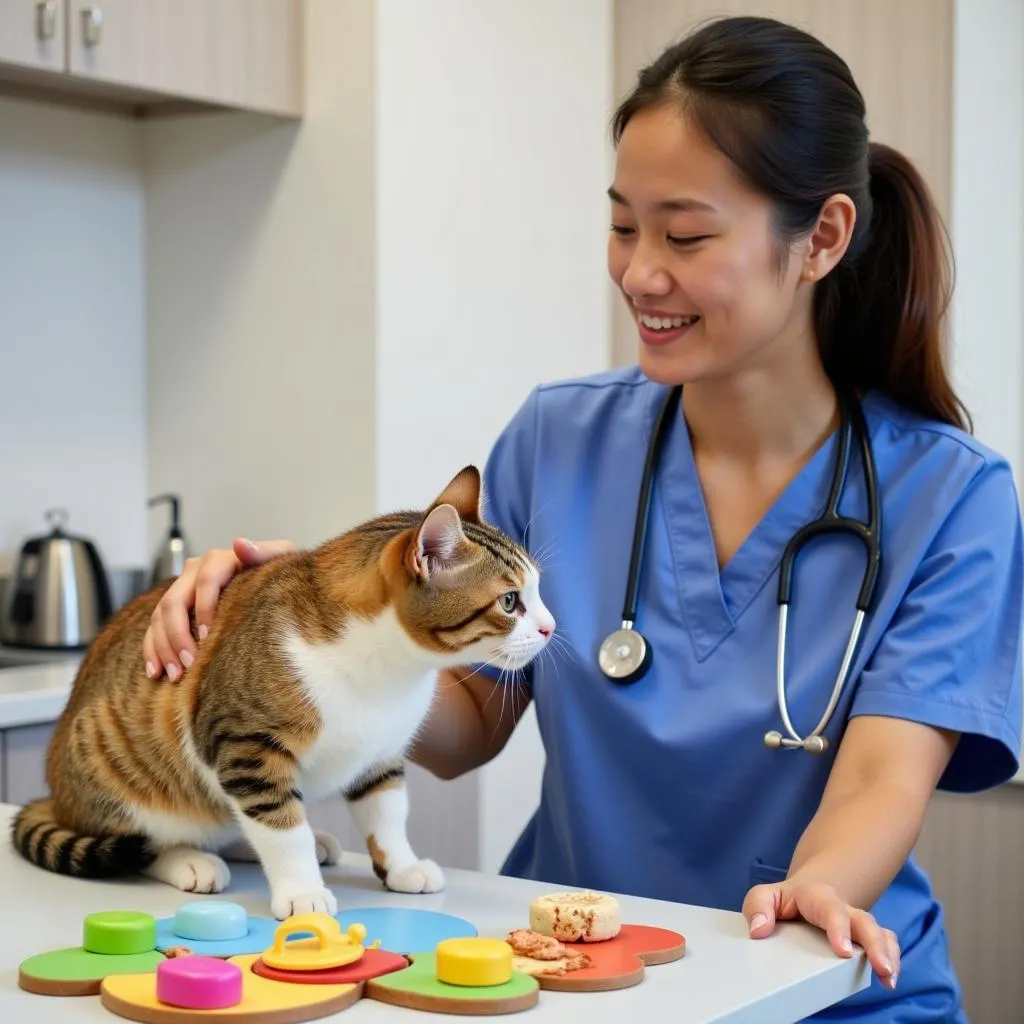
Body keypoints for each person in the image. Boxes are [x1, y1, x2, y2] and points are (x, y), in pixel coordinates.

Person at [141, 15, 1023, 1022]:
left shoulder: (950, 496)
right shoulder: (558, 439)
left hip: (821, 982)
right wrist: (307, 632)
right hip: (577, 980)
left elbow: (880, 781)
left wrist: (817, 885)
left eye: (685, 235)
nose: (639, 272)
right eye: (621, 225)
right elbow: (469, 720)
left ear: (820, 237)